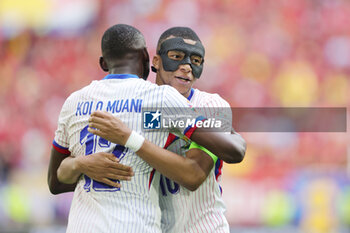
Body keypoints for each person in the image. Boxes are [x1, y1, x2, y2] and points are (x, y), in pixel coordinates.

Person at [48, 24, 244, 233]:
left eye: (195, 61)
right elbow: (57, 180)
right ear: (154, 61)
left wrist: (129, 138)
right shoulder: (147, 106)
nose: (187, 67)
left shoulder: (208, 105)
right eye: (177, 56)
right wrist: (81, 164)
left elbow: (196, 174)